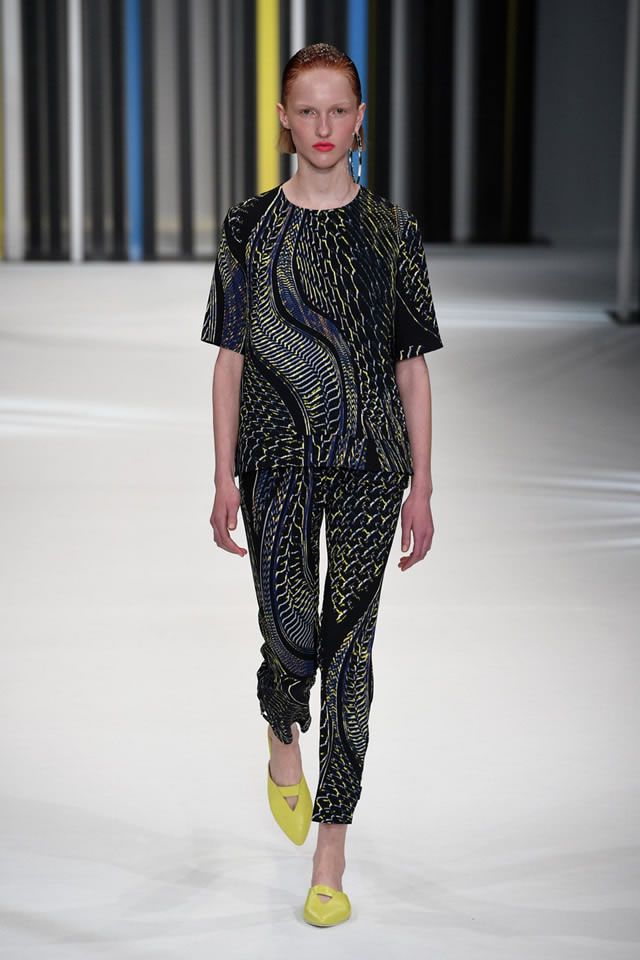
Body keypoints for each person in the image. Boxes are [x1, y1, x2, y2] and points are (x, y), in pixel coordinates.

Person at [201, 41, 443, 927]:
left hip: (373, 459)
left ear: (361, 117)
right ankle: (280, 723)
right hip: (272, 457)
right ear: (283, 120)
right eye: (307, 110)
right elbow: (230, 360)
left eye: (339, 109)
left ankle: (331, 851)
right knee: (289, 631)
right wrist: (221, 474)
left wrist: (423, 485)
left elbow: (412, 366)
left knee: (351, 653)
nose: (324, 125)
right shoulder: (247, 228)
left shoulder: (393, 231)